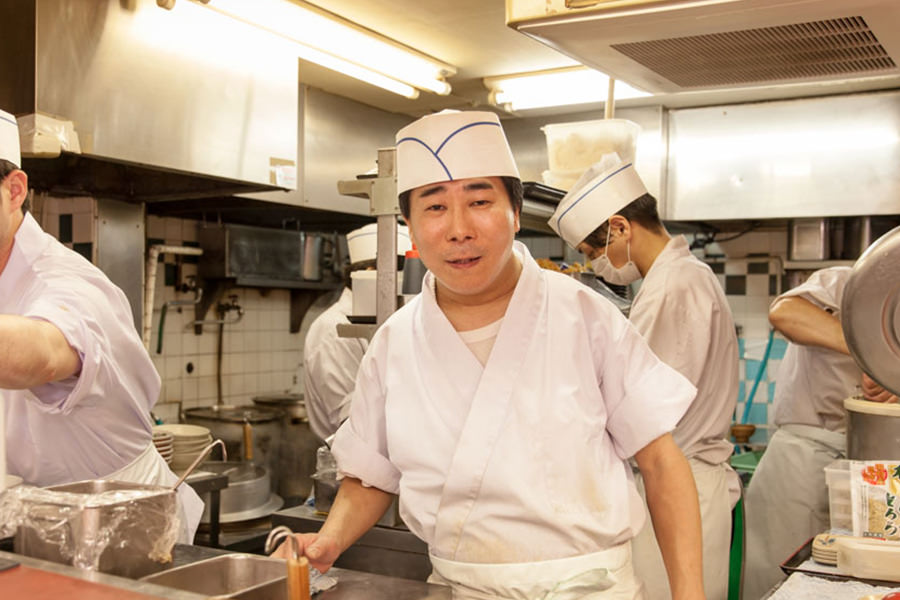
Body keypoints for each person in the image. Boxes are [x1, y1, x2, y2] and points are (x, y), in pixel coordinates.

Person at [277, 110, 706, 599]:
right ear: (410, 230)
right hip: (460, 591)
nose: (459, 229)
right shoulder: (395, 342)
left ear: (516, 215)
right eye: (434, 208)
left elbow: (661, 462)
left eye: (480, 200)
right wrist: (328, 541)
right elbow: (372, 475)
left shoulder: (584, 316)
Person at [0, 109, 203, 542]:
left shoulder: (66, 281)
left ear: (14, 190)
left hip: (126, 530)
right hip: (41, 524)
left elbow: (40, 354)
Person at [548, 153, 739, 600]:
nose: (597, 264)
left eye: (594, 251)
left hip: (677, 485)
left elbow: (644, 411)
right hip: (680, 481)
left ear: (620, 227)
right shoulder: (675, 279)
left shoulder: (675, 285)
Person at [741, 266, 867, 599]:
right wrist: (869, 352)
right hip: (803, 459)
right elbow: (785, 312)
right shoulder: (847, 282)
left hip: (864, 470)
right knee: (778, 580)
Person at [303, 222, 412, 441]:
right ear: (370, 273)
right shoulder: (334, 330)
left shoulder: (391, 320)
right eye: (402, 271)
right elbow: (351, 422)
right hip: (351, 468)